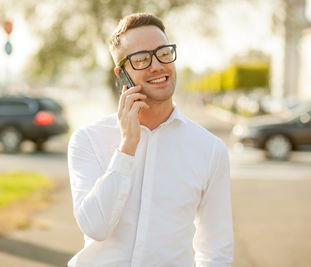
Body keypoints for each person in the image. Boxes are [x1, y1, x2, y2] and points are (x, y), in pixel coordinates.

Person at [67, 12, 233, 267]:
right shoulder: (87, 140)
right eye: (142, 59)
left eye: (163, 53)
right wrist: (126, 148)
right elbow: (95, 227)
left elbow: (216, 251)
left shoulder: (210, 149)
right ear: (122, 73)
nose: (157, 66)